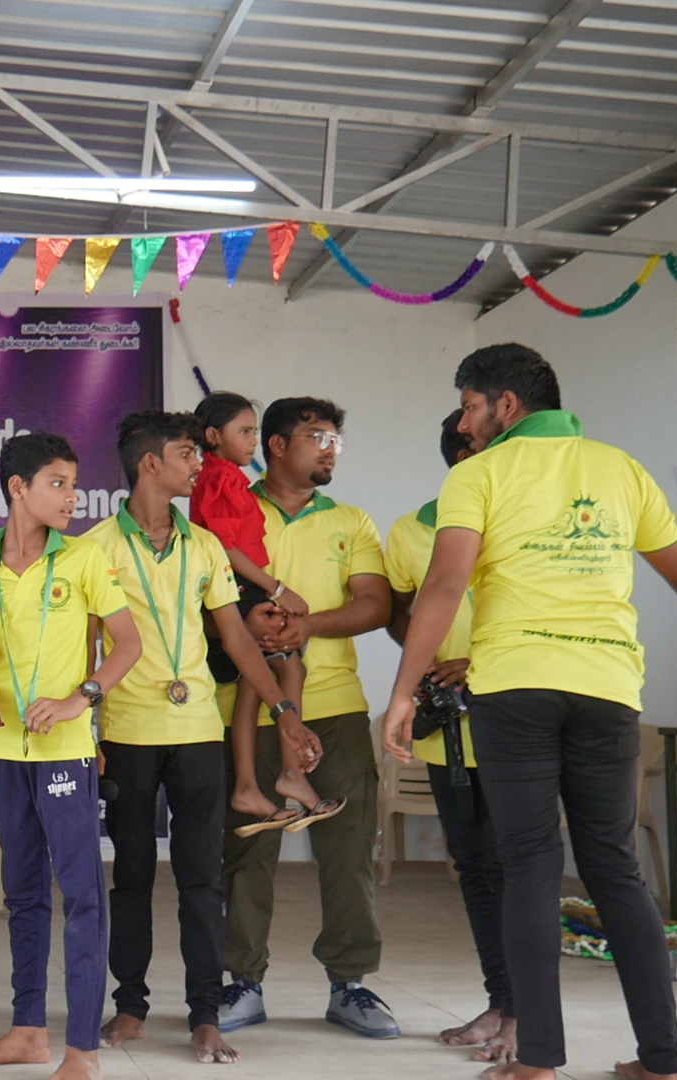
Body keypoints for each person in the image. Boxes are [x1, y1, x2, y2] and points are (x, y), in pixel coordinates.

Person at [382, 344, 677, 1080]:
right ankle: (666, 1059)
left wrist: (402, 692)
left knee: (528, 866)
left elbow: (446, 586)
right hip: (609, 686)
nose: (464, 421)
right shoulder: (622, 468)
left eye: (468, 404)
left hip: (516, 686)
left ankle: (539, 1062)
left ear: (505, 405)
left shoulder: (480, 474)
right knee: (615, 867)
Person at [83, 413, 303, 1065]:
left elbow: (235, 636)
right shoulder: (96, 547)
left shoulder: (204, 546)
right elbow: (86, 643)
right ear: (151, 464)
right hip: (126, 732)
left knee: (202, 878)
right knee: (129, 875)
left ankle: (205, 1015)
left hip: (198, 729)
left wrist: (283, 707)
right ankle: (129, 1005)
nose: (198, 464)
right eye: (186, 453)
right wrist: (85, 729)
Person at [0, 434, 141, 1080]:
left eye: (73, 482)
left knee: (82, 895)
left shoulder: (85, 558)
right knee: (23, 894)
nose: (72, 495)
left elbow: (127, 646)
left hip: (65, 753)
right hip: (4, 751)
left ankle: (81, 1050)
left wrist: (79, 699)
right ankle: (28, 1032)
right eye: (57, 482)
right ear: (17, 488)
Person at [215, 398, 395, 1040]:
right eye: (317, 436)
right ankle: (242, 982)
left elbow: (374, 603)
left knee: (347, 853)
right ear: (273, 445)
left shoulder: (352, 521)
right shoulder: (231, 508)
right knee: (246, 853)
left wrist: (307, 623)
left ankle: (351, 984)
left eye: (336, 439)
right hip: (242, 709)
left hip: (337, 706)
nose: (330, 448)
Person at [383, 410, 515, 1064]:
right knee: (477, 870)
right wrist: (425, 670)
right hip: (448, 733)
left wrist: (482, 664)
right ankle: (502, 1002)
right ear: (462, 455)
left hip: (520, 720)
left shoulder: (522, 519)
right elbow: (404, 617)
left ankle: (526, 1015)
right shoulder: (412, 532)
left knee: (521, 867)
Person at [190, 393, 333, 830]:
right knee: (283, 668)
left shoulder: (229, 477)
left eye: (254, 431)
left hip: (246, 586)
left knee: (266, 678)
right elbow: (225, 547)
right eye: (245, 432)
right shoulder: (219, 480)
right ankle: (278, 778)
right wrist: (277, 588)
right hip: (239, 587)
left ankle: (260, 783)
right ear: (214, 437)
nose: (253, 441)